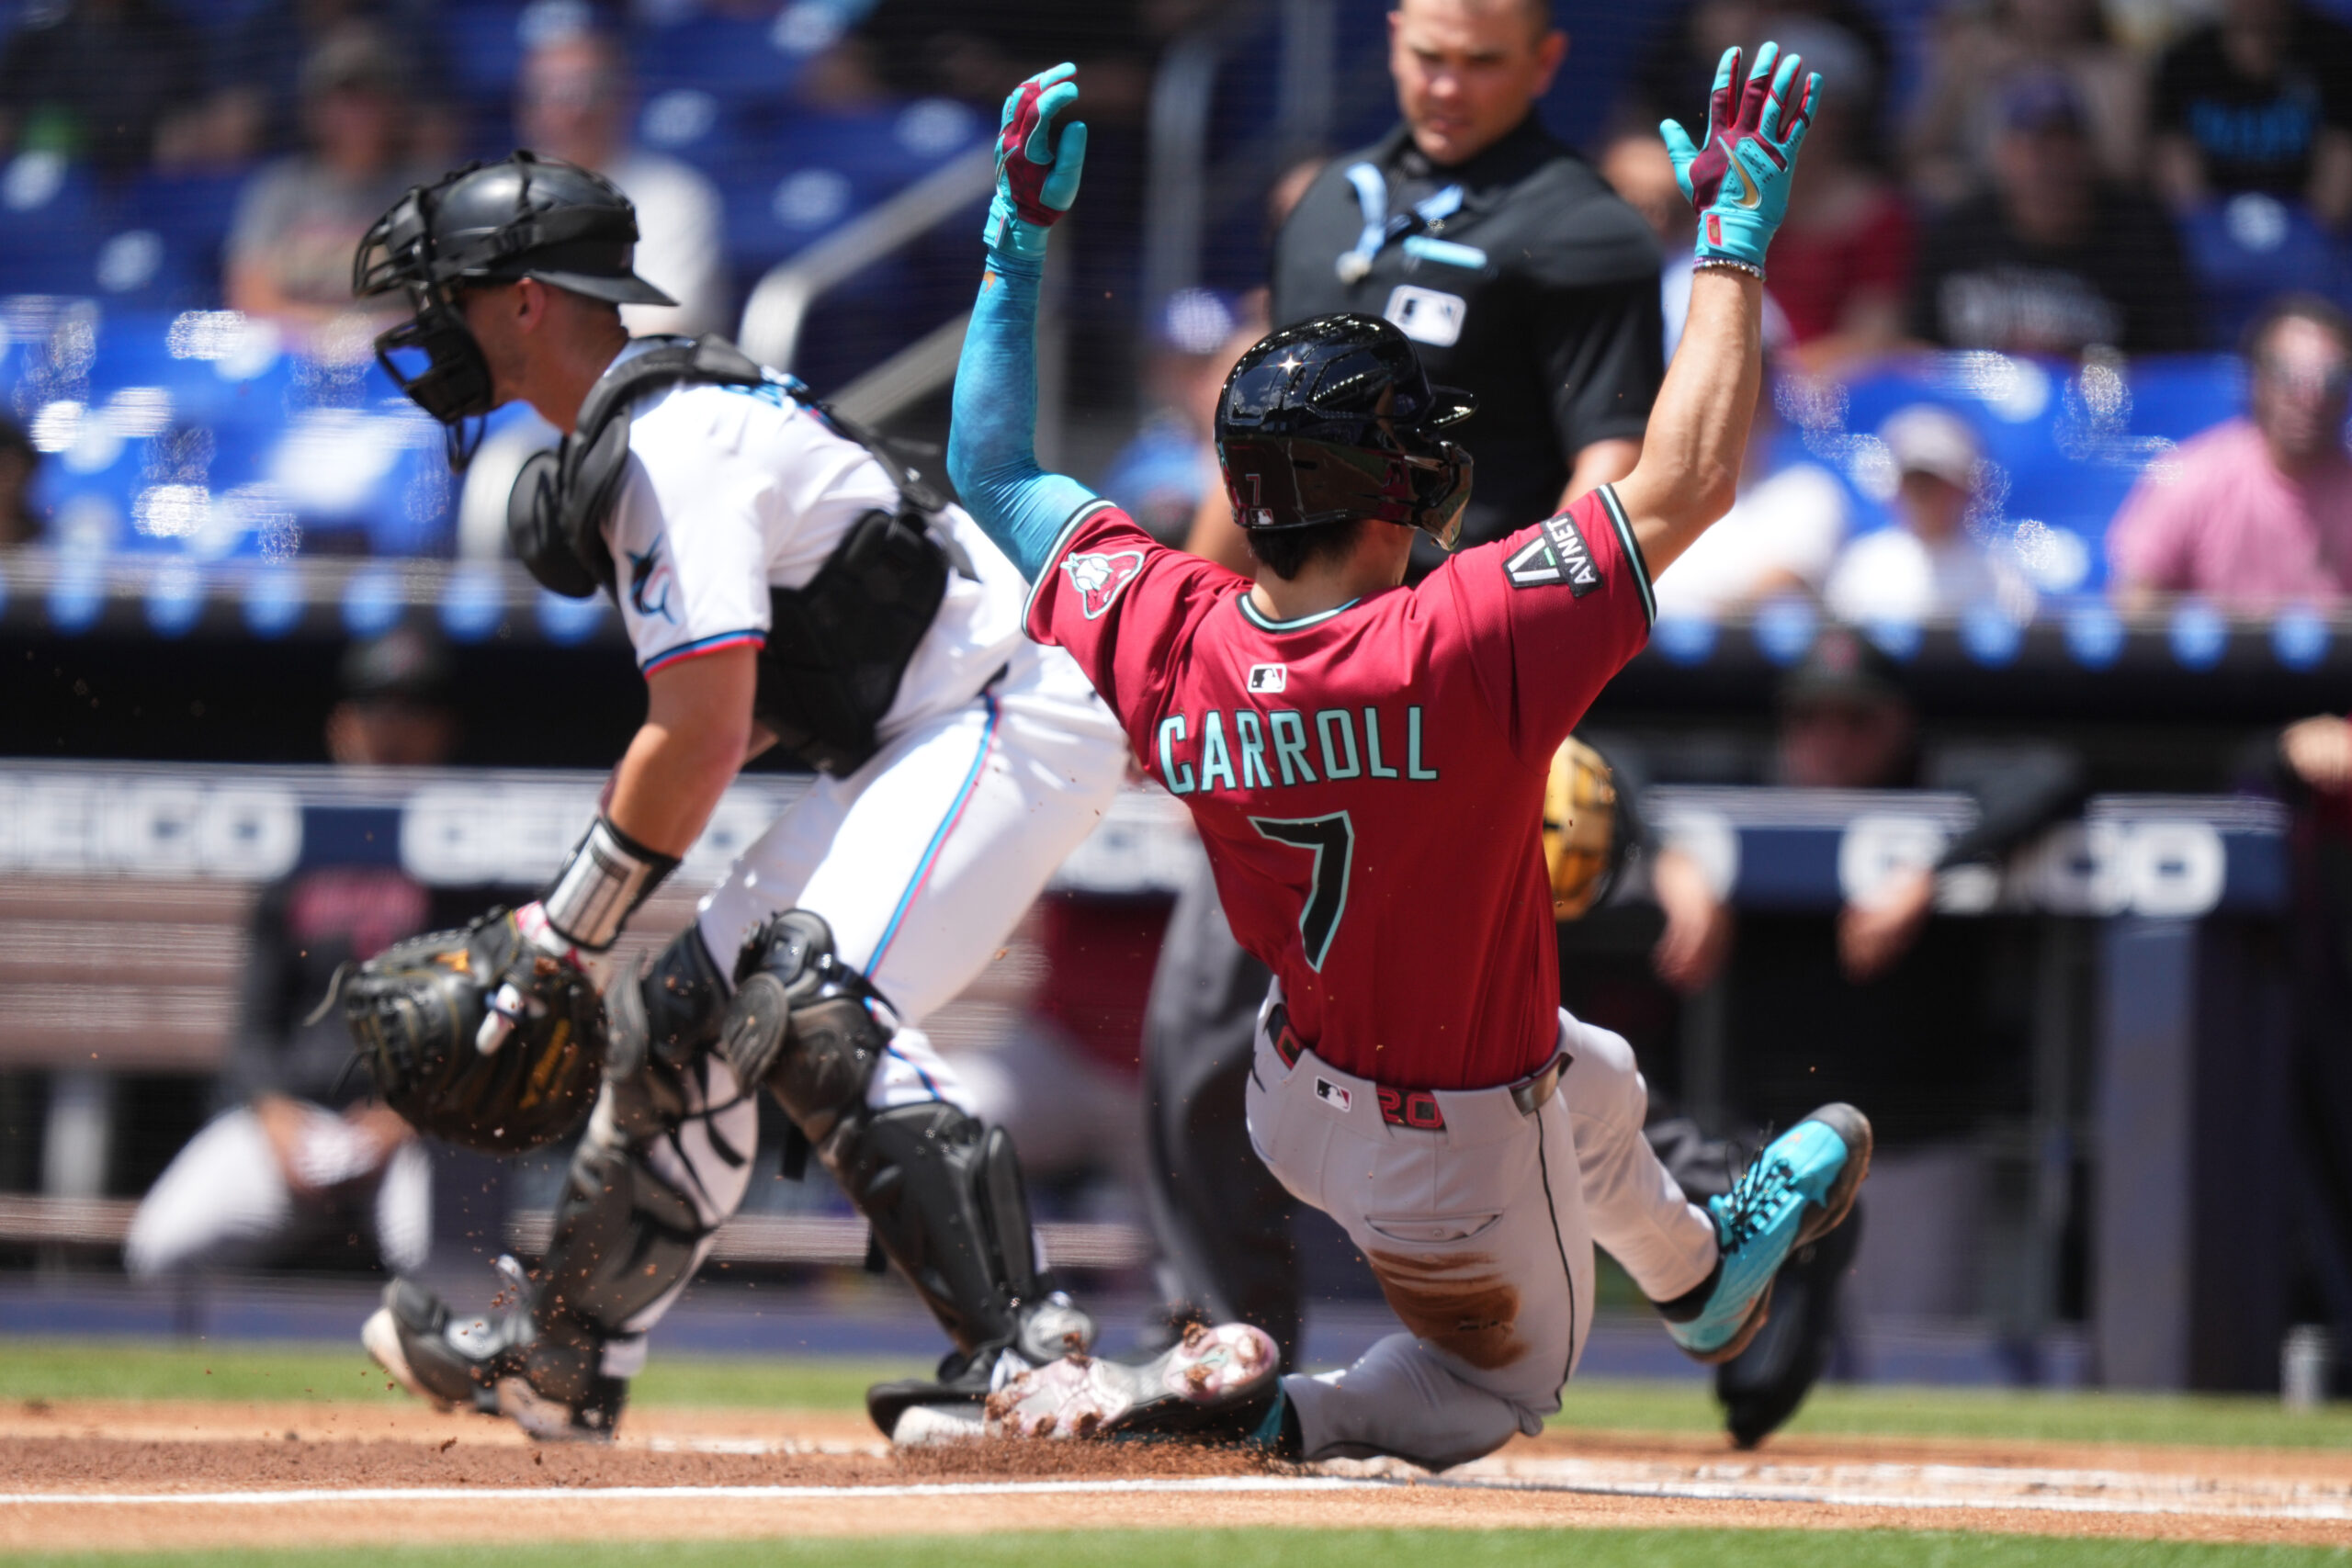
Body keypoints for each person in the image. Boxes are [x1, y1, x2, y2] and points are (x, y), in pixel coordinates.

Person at [949, 50, 1870, 1463]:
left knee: (1603, 1079)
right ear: (1388, 491)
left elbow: (995, 467)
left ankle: (1701, 1275)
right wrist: (1733, 251)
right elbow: (1685, 478)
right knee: (1491, 1389)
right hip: (1445, 1135)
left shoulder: (1168, 619)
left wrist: (1013, 243)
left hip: (1296, 1084)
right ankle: (1250, 1414)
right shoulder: (1467, 632)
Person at [340, 152, 1251, 1445]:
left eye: (452, 290)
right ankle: (562, 1358)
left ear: (529, 300)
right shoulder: (649, 422)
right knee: (680, 1027)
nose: (433, 317)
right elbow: (752, 700)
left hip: (1005, 708)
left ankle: (1031, 1357)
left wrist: (564, 926)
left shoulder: (669, 440)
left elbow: (704, 731)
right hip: (916, 726)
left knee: (807, 994)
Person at [1250, 0, 1664, 568]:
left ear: (1545, 61)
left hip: (1463, 624)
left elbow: (1613, 459)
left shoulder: (1590, 232)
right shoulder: (1323, 201)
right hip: (1295, 623)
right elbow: (1256, 442)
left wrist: (1521, 622)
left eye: (1482, 61)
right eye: (1429, 56)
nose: (1447, 87)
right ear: (1395, 41)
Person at [125, 626, 468, 1280]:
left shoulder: (475, 860)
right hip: (297, 1120)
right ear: (343, 726)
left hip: (421, 1129)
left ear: (443, 729)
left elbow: (493, 1028)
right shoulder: (297, 853)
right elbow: (253, 1026)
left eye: (414, 710)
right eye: (376, 708)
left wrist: (414, 1116)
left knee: (455, 1270)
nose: (393, 728)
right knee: (162, 1244)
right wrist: (273, 1113)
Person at [1910, 71, 2199, 356]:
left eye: (2067, 148)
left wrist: (2076, 367)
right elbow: (1918, 352)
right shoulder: (1961, 233)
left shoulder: (2140, 234)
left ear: (2089, 155)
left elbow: (2174, 364)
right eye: (2038, 151)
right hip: (1977, 400)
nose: (2054, 166)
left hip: (2101, 400)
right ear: (2003, 155)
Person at [2107, 294, 2352, 612]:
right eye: (2289, 376)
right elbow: (2133, 603)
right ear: (2257, 380)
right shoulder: (2192, 475)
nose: (2310, 397)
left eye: (2330, 380)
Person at [514, 23, 729, 339]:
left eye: (590, 92)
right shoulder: (493, 198)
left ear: (624, 99)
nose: (573, 111)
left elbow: (662, 333)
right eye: (552, 93)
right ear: (524, 106)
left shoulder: (674, 195)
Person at [225, 23, 435, 335]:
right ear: (314, 110)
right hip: (291, 367)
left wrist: (365, 338)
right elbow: (250, 300)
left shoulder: (425, 192)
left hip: (397, 364)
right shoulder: (278, 190)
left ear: (395, 107)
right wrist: (335, 335)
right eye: (345, 99)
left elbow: (440, 301)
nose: (358, 114)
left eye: (371, 98)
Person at [1904, 0, 2144, 209]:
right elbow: (1916, 151)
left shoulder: (2117, 70)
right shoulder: (1970, 50)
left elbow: (2125, 172)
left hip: (2078, 221)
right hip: (1980, 211)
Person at [1824, 403, 2033, 626]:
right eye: (1914, 481)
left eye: (1934, 482)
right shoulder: (1861, 567)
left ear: (1963, 488)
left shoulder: (2001, 578)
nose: (1922, 494)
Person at [2152, 0, 2352, 231]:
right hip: (2214, 229)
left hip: (2310, 229)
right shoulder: (2185, 60)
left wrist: (2307, 241)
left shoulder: (2335, 50)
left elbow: (2342, 157)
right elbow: (2176, 166)